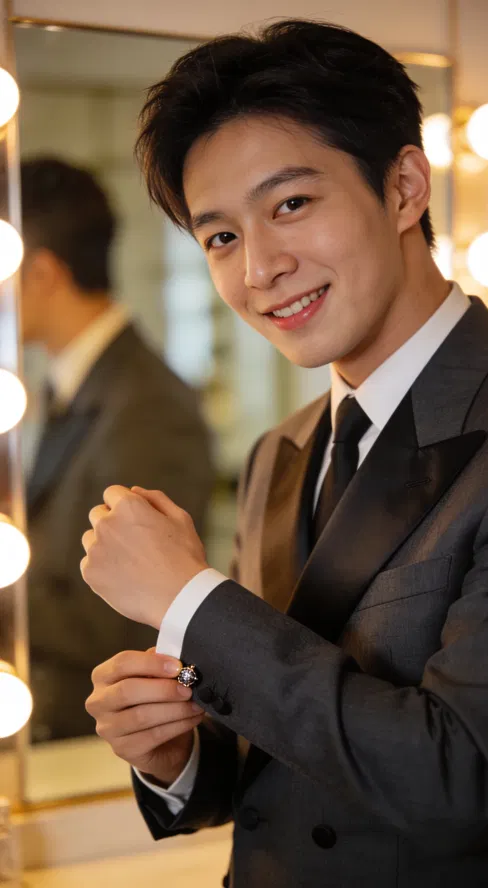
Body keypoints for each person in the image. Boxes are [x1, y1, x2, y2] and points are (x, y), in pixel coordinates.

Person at [82, 20, 488, 888]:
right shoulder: (284, 450)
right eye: (221, 237)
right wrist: (174, 756)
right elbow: (289, 753)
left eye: (291, 204)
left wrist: (190, 599)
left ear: (404, 188)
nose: (260, 268)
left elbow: (466, 780)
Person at [21, 157, 213, 741]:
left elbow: (126, 614)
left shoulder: (147, 407)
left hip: (93, 742)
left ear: (43, 272)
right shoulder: (69, 386)